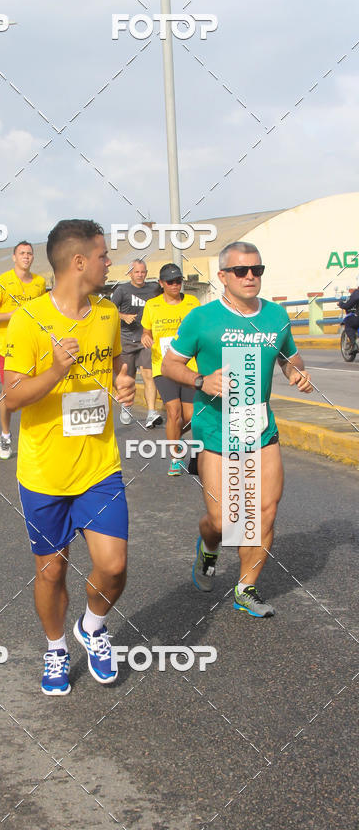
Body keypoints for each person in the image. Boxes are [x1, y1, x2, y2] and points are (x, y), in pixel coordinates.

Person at [3, 219, 136, 695]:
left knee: (114, 566)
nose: (109, 263)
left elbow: (118, 362)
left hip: (99, 464)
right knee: (52, 568)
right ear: (79, 262)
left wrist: (124, 382)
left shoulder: (105, 314)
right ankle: (57, 647)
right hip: (43, 471)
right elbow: (13, 398)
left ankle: (93, 628)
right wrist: (57, 369)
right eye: (103, 255)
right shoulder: (27, 320)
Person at [162, 241, 313, 618]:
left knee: (264, 510)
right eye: (242, 271)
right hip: (216, 429)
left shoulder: (277, 316)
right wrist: (201, 381)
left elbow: (290, 359)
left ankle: (246, 588)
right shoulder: (202, 318)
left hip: (261, 428)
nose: (250, 277)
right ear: (223, 276)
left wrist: (298, 374)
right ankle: (208, 546)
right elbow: (170, 365)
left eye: (257, 270)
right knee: (224, 520)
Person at [0, 242, 47, 459]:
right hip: (8, 345)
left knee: (38, 391)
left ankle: (36, 437)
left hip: (36, 344)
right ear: (14, 257)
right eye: (22, 253)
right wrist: (14, 314)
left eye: (29, 253)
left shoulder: (40, 282)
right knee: (9, 394)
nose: (26, 257)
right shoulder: (2, 282)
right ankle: (5, 434)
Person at [141, 263, 200, 475]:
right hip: (163, 366)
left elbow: (200, 330)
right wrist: (146, 337)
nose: (175, 285)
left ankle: (174, 436)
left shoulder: (192, 303)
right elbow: (145, 331)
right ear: (161, 283)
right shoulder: (152, 305)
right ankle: (175, 457)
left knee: (191, 416)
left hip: (188, 366)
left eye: (178, 281)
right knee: (173, 412)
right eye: (170, 282)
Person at [110, 259, 162, 429]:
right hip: (126, 341)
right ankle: (126, 406)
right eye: (136, 272)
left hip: (146, 340)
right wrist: (123, 316)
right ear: (130, 273)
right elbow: (109, 310)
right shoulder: (122, 290)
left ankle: (152, 413)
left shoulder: (153, 289)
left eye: (143, 272)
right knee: (129, 376)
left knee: (148, 376)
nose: (140, 275)